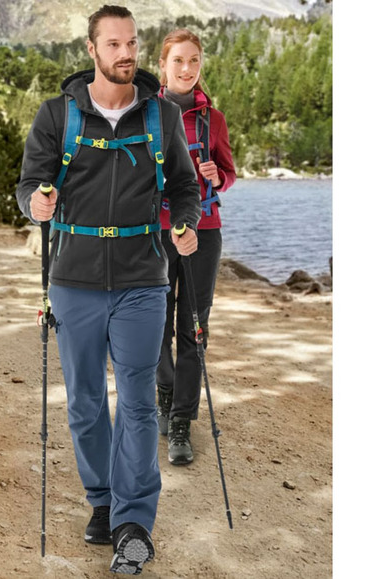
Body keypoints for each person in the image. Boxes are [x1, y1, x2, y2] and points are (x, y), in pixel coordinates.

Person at [16, 5, 201, 575]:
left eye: (132, 43)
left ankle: (133, 520)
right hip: (73, 281)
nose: (126, 53)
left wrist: (186, 223)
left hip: (144, 280)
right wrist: (35, 203)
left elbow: (185, 187)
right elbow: (27, 185)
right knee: (87, 404)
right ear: (92, 51)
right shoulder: (58, 116)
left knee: (139, 402)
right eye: (114, 44)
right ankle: (101, 501)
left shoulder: (161, 117)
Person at [155, 29, 237, 466]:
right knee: (152, 323)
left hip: (204, 231)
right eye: (178, 61)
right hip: (155, 231)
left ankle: (182, 419)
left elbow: (229, 172)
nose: (187, 69)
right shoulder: (146, 112)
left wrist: (216, 177)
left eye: (194, 61)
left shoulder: (215, 119)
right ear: (164, 65)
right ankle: (164, 388)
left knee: (193, 326)